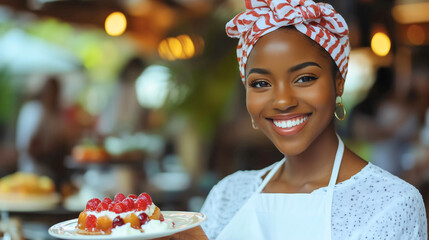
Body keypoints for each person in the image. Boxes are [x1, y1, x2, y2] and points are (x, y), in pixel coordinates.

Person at [197, 0, 427, 239]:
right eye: (261, 84)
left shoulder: (391, 203)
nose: (283, 101)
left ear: (339, 82)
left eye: (304, 78)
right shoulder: (228, 195)